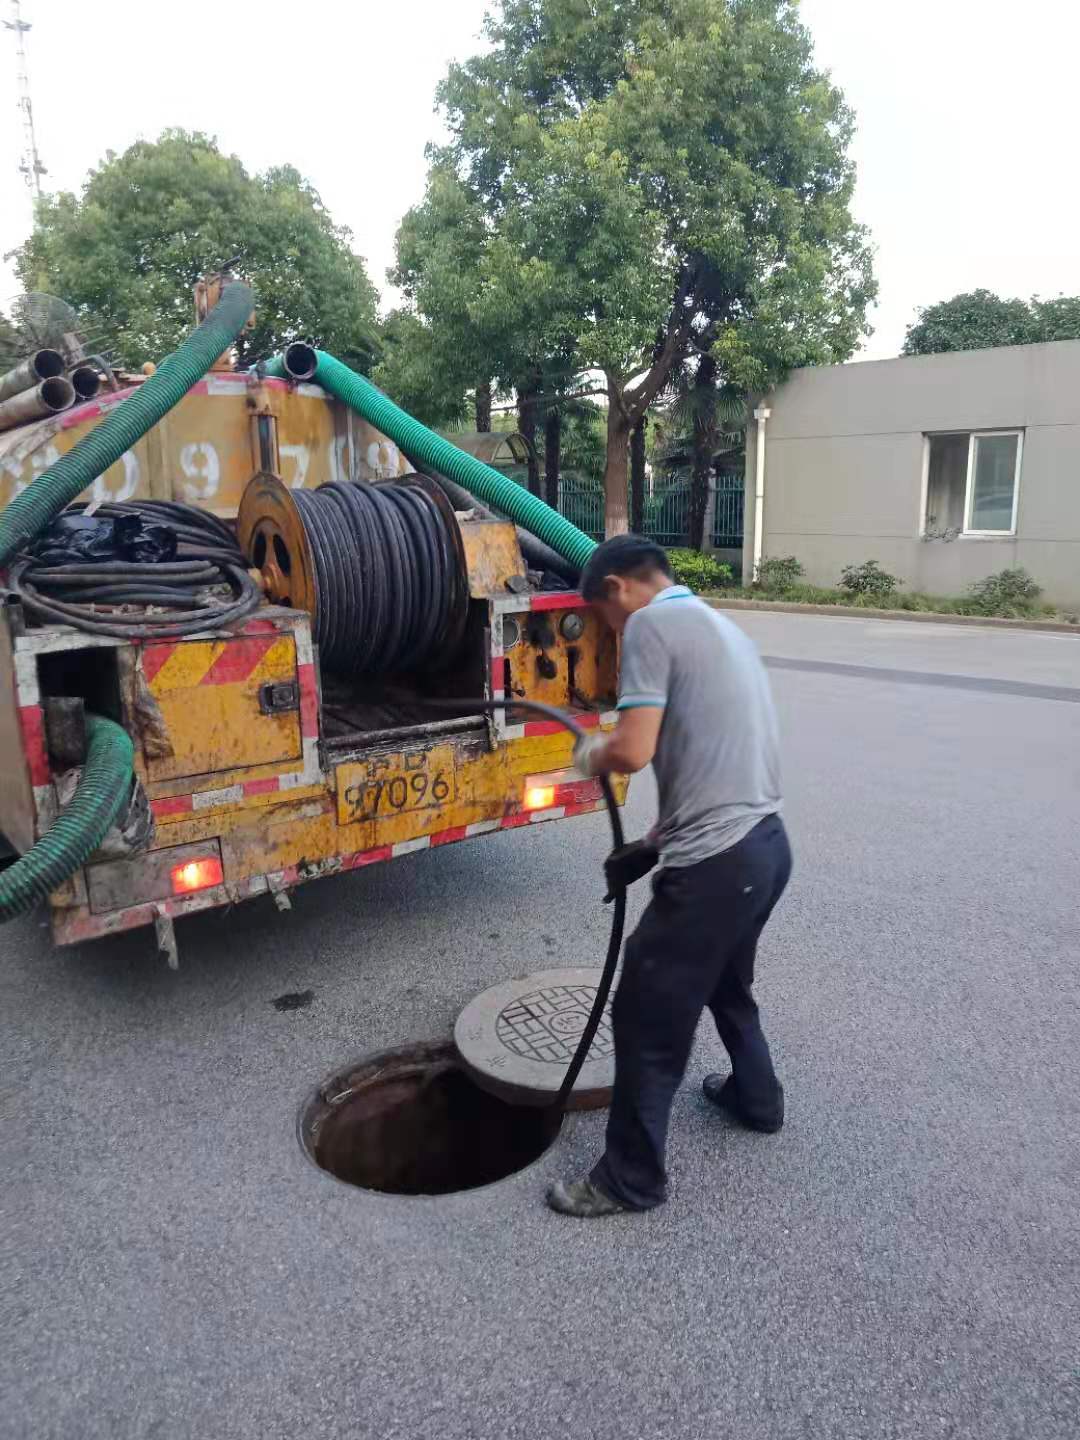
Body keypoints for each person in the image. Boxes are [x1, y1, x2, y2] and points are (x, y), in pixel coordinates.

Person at [546, 535, 791, 1218]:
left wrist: (587, 753)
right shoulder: (723, 627)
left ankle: (630, 1179)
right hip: (766, 849)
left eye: (605, 619)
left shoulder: (653, 623)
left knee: (646, 1011)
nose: (612, 634)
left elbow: (632, 750)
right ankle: (757, 1098)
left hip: (718, 866)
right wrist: (653, 844)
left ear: (619, 590)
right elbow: (718, 764)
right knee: (724, 980)